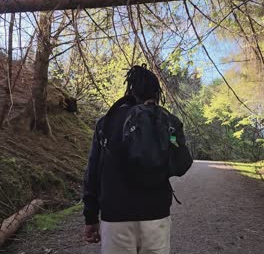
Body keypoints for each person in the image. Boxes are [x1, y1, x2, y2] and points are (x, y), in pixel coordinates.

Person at [82, 65, 192, 254]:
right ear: (156, 92)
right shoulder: (169, 121)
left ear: (130, 89)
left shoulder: (106, 122)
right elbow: (182, 164)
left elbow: (93, 172)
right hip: (156, 215)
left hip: (115, 216)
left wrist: (91, 218)